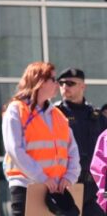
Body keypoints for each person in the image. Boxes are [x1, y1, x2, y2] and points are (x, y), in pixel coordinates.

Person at [3, 62, 80, 216]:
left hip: (55, 190)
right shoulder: (16, 110)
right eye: (52, 79)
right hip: (26, 187)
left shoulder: (58, 115)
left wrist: (70, 176)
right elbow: (15, 150)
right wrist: (42, 177)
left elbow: (72, 150)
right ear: (39, 81)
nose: (57, 84)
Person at [55, 67, 106, 216]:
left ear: (83, 86)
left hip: (94, 188)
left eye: (70, 83)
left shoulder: (97, 117)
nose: (65, 87)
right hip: (67, 186)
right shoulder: (55, 114)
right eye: (61, 83)